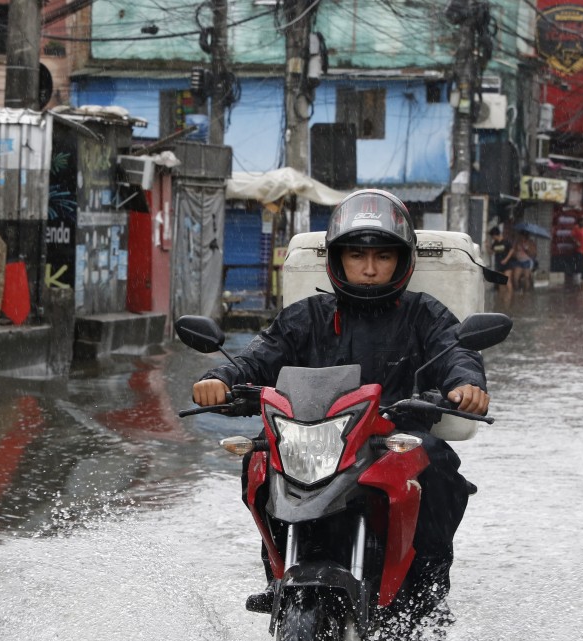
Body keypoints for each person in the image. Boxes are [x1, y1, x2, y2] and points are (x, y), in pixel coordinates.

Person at [192, 189, 489, 619]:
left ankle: (425, 595)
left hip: (390, 439)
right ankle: (277, 574)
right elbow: (257, 358)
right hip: (317, 439)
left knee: (439, 465)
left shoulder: (424, 314)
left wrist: (466, 385)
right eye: (356, 256)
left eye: (383, 257)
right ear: (337, 260)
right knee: (258, 456)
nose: (369, 269)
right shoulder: (305, 316)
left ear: (402, 261)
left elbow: (458, 352)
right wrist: (219, 379)